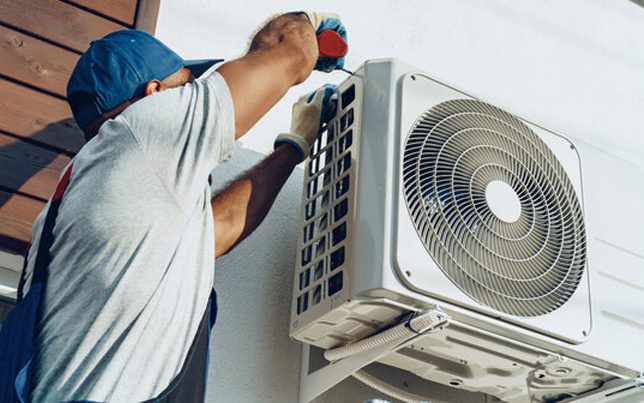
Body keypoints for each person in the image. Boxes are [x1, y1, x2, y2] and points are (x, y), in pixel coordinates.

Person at [0, 11, 347, 402]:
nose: (194, 91)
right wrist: (311, 20)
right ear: (154, 95)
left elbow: (215, 231)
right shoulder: (141, 130)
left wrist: (293, 146)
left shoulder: (80, 195)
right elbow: (289, 50)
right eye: (185, 85)